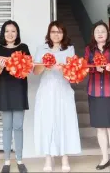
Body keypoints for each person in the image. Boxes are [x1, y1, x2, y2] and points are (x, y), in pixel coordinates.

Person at [33, 21, 81, 172]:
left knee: (64, 121)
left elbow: (73, 74)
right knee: (47, 122)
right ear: (49, 33)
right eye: (53, 31)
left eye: (59, 32)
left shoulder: (69, 49)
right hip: (46, 90)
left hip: (63, 90)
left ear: (63, 34)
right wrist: (44, 64)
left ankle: (65, 157)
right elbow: (35, 72)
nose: (56, 34)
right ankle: (48, 157)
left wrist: (64, 69)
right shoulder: (41, 49)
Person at [0, 20, 30, 173]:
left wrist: (16, 65)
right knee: (7, 127)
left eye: (13, 31)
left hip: (19, 90)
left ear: (17, 33)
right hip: (5, 91)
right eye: (7, 31)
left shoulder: (23, 48)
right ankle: (6, 161)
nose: (10, 34)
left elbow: (27, 69)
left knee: (18, 127)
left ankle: (20, 160)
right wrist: (0, 66)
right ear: (3, 33)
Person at [84, 21, 110, 173]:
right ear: (93, 34)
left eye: (103, 31)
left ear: (107, 34)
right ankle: (104, 157)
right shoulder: (89, 49)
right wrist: (94, 68)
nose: (100, 33)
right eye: (97, 31)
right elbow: (85, 66)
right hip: (94, 92)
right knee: (100, 129)